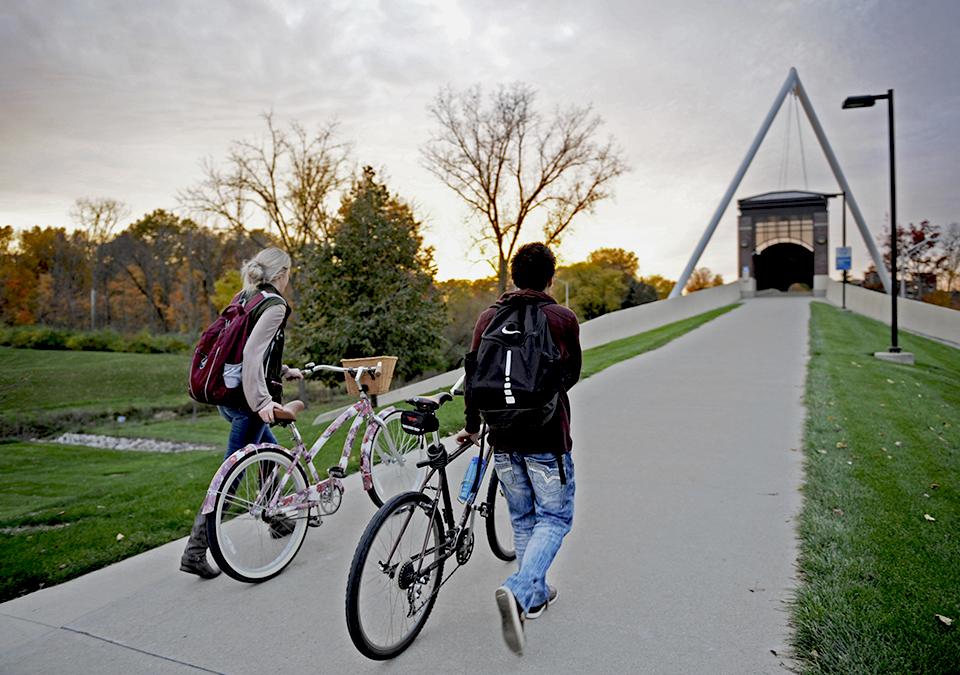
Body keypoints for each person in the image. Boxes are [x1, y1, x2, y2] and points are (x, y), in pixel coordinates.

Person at [456, 242, 581, 655]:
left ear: (513, 276)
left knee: (524, 518)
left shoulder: (488, 317)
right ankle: (521, 588)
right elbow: (571, 375)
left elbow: (473, 375)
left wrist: (473, 428)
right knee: (556, 517)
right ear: (551, 277)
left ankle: (536, 595)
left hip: (503, 440)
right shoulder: (561, 318)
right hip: (547, 438)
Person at [180, 247, 304, 579]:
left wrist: (284, 369)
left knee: (269, 452)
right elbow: (251, 353)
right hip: (247, 403)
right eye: (290, 273)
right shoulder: (275, 304)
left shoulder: (248, 295)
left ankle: (275, 518)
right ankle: (194, 552)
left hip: (227, 394)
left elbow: (244, 349)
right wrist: (262, 401)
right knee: (230, 477)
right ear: (282, 274)